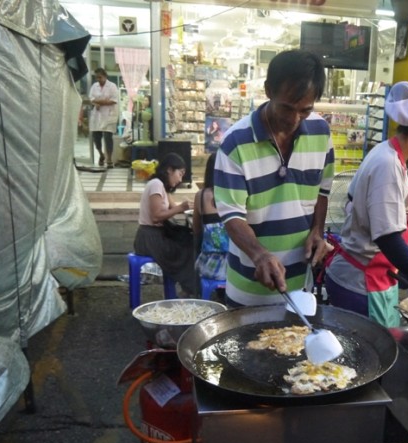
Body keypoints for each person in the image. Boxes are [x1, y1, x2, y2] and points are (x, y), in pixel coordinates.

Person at [324, 82, 408, 327]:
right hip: (360, 282)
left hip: (368, 275)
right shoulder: (388, 164)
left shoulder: (388, 152)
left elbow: (381, 204)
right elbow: (388, 239)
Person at [214, 49, 334, 307]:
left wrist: (317, 230)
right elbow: (231, 215)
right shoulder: (235, 143)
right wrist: (259, 255)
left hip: (301, 291)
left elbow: (322, 191)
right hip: (249, 289)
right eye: (287, 107)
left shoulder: (321, 132)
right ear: (268, 90)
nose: (293, 119)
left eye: (304, 110)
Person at [133, 153, 195, 297]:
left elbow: (175, 208)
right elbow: (156, 217)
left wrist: (190, 206)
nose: (180, 179)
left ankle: (188, 288)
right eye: (180, 174)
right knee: (186, 250)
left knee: (189, 239)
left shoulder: (162, 187)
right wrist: (181, 208)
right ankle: (187, 289)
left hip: (155, 235)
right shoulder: (156, 184)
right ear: (169, 170)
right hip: (149, 238)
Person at [193, 154, 229, 299]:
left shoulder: (200, 196)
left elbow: (196, 229)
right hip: (233, 267)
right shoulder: (233, 195)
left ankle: (196, 290)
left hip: (208, 266)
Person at [89, 67, 119, 168]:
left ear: (105, 76)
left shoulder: (112, 86)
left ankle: (109, 159)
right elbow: (91, 99)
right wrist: (95, 102)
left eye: (100, 77)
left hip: (109, 116)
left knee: (108, 138)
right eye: (96, 77)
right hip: (97, 116)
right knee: (96, 139)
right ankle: (101, 155)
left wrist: (98, 102)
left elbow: (114, 100)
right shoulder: (94, 86)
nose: (98, 79)